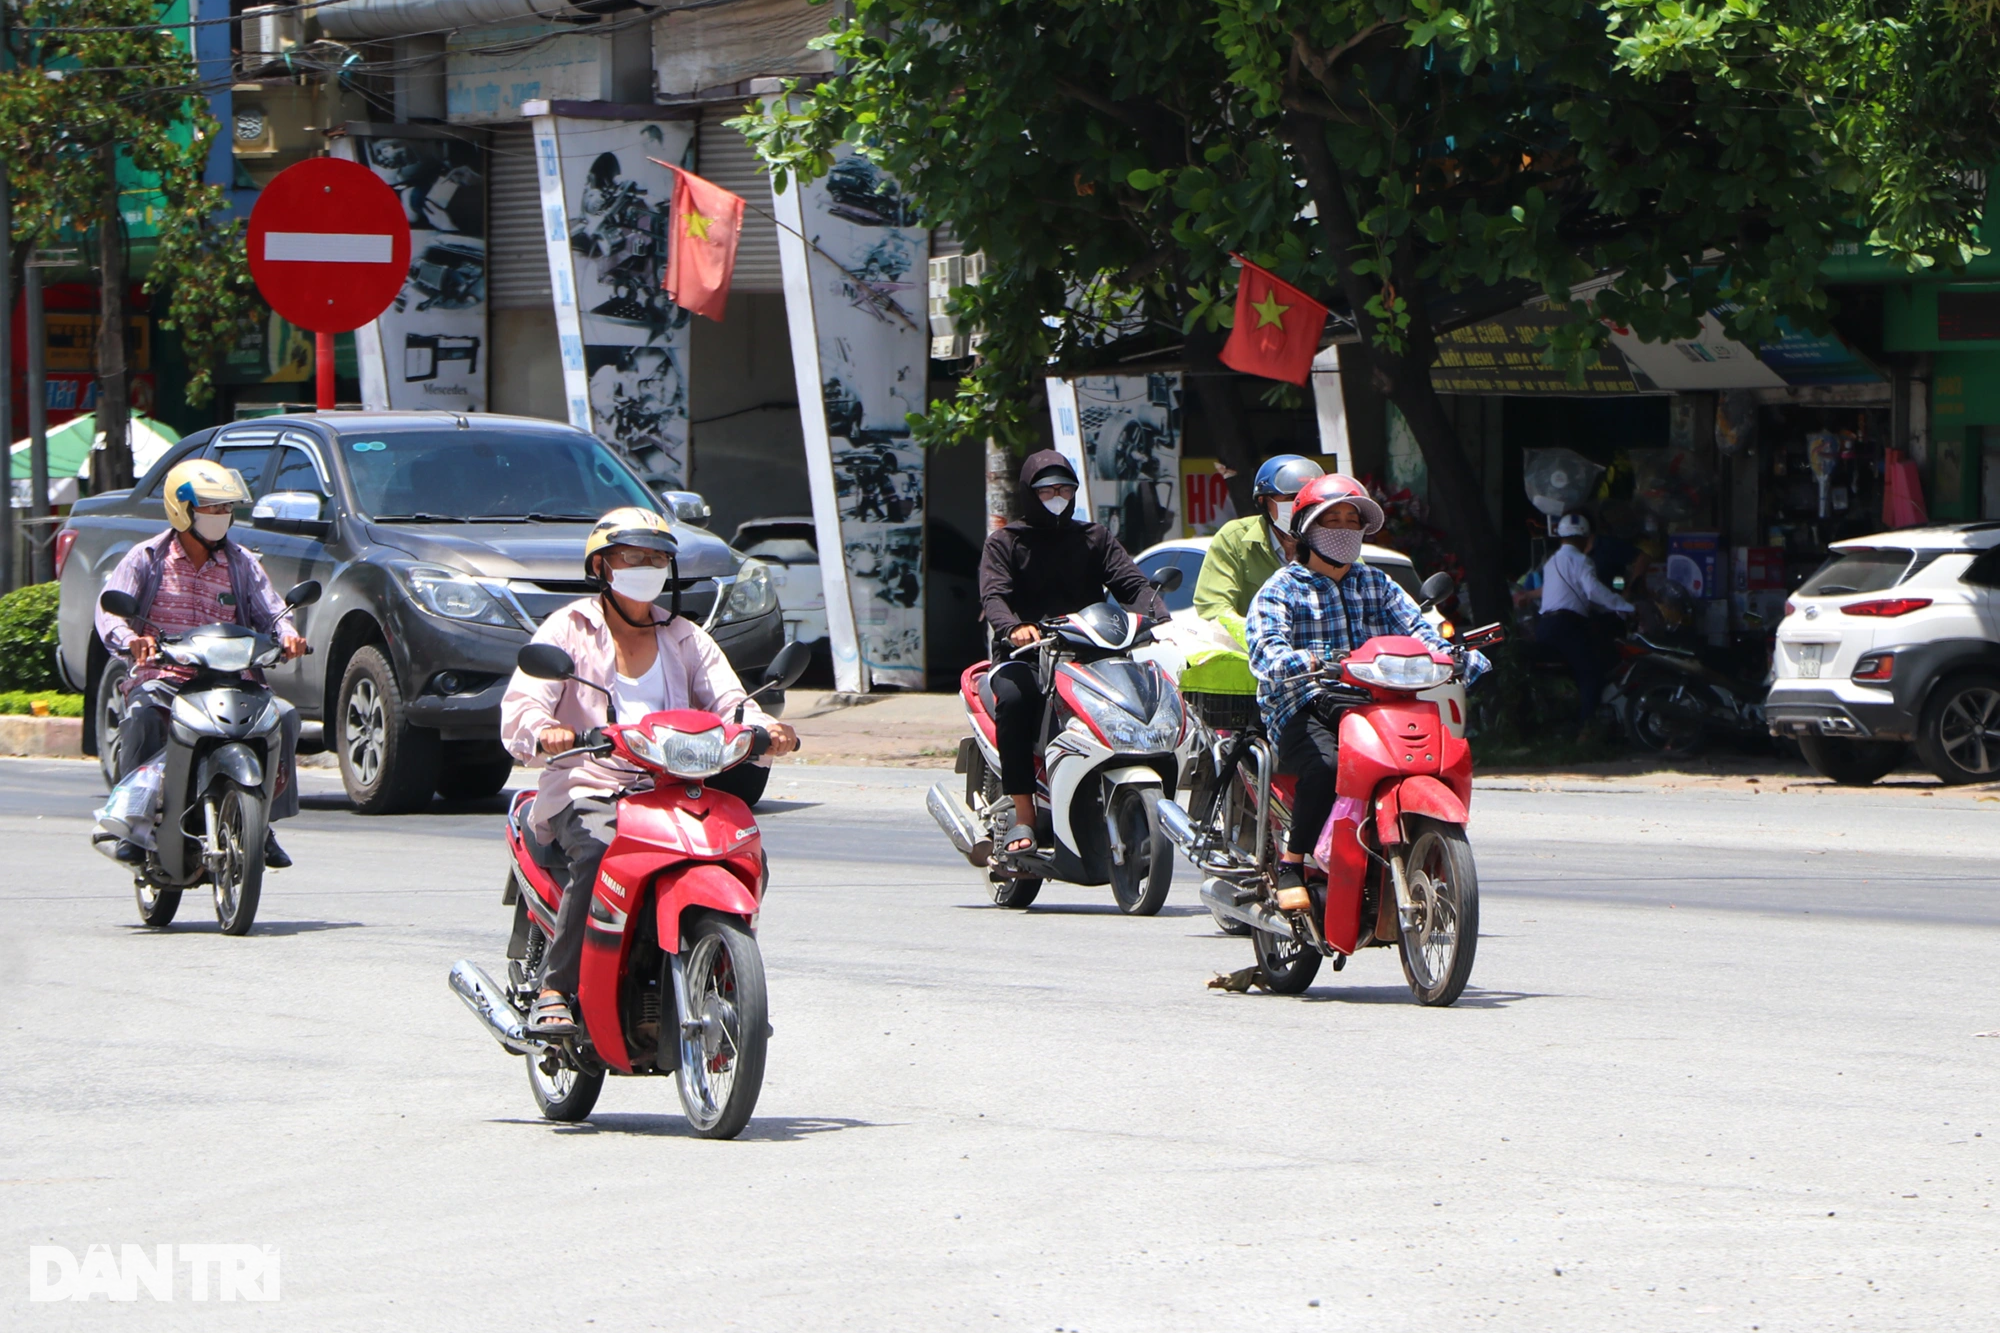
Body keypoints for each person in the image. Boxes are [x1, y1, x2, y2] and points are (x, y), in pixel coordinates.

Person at [500, 507, 799, 1037]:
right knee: (596, 852)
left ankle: (723, 972)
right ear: (602, 567)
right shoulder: (568, 629)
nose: (648, 566)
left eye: (658, 558)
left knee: (744, 844)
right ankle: (555, 988)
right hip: (590, 784)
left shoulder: (685, 636)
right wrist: (546, 729)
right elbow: (523, 703)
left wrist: (764, 727)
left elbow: (732, 700)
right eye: (633, 556)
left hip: (673, 789)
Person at [1246, 474, 1481, 894]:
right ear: (1306, 529)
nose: (1343, 529)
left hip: (1373, 702)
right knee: (1328, 767)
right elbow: (1266, 652)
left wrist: (1453, 658)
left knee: (1427, 756)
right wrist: (1310, 661)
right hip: (1305, 703)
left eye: (1351, 521)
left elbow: (1418, 629)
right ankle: (1293, 863)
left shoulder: (1375, 582)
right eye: (1331, 519)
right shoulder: (1280, 590)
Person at [93, 458, 307, 866]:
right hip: (165, 679)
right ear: (182, 509)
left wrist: (289, 636)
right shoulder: (147, 559)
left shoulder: (242, 563)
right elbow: (109, 612)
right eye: (210, 508)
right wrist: (131, 640)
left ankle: (261, 822)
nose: (220, 517)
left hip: (231, 681)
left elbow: (273, 611)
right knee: (140, 716)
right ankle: (134, 821)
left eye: (225, 508)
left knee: (285, 717)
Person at [977, 450, 1164, 856]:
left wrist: (1154, 612)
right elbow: (994, 596)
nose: (1057, 496)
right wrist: (1013, 628)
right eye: (1047, 490)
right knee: (1014, 698)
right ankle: (1024, 814)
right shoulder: (1005, 542)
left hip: (1090, 652)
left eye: (1065, 488)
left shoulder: (1094, 537)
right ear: (1030, 493)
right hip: (1028, 654)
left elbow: (1131, 583)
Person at [1191, 454, 1325, 630]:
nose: (1299, 507)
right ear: (1264, 502)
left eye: (1308, 500)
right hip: (1252, 653)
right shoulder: (1234, 538)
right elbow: (1214, 608)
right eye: (1290, 498)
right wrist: (1261, 637)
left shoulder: (1333, 539)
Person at [1536, 512, 1635, 739]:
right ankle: (1586, 731)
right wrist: (1625, 606)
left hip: (1545, 626)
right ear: (1585, 539)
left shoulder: (1551, 562)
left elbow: (1583, 597)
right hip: (1567, 626)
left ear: (1560, 537)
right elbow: (1593, 590)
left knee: (1569, 672)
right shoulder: (1581, 560)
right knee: (1591, 674)